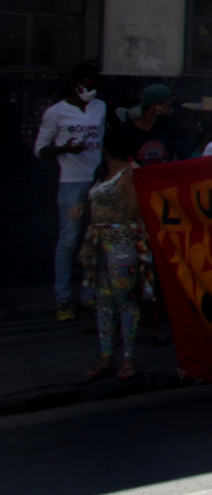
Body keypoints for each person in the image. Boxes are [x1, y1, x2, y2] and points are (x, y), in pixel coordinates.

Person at [79, 125, 150, 381]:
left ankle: (127, 359)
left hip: (121, 242)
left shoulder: (128, 174)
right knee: (104, 303)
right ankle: (107, 358)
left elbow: (135, 208)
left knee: (124, 300)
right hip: (101, 244)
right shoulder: (104, 175)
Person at [37, 64, 106, 322]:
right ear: (75, 84)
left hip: (96, 181)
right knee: (68, 241)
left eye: (93, 86)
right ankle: (62, 298)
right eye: (85, 86)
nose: (90, 91)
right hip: (71, 182)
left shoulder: (100, 107)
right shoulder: (55, 112)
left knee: (94, 240)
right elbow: (40, 149)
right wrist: (64, 149)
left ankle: (88, 296)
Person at [116, 85, 177, 166]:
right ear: (156, 106)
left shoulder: (163, 130)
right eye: (168, 106)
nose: (171, 111)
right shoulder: (124, 133)